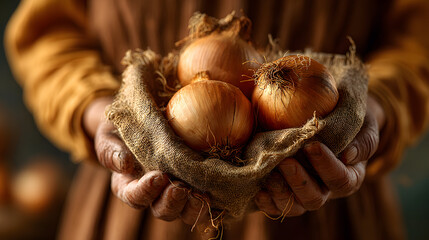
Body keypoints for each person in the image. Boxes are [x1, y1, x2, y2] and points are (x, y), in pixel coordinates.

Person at [5, 0, 429, 239]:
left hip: (331, 211)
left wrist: (376, 105)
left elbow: (418, 37)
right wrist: (97, 109)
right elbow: (47, 33)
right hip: (130, 204)